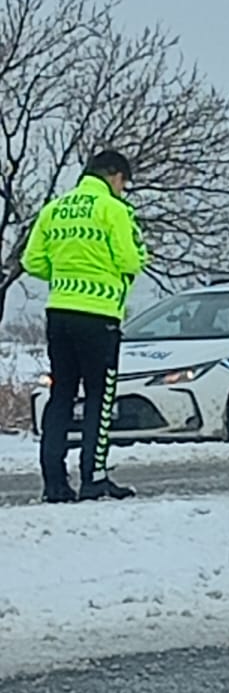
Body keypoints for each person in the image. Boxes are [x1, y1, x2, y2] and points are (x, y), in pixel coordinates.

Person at [21, 150, 149, 503]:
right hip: (99, 315)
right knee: (99, 396)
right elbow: (131, 260)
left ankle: (54, 483)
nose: (122, 190)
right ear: (114, 175)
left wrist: (64, 274)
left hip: (59, 312)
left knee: (61, 394)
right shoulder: (114, 210)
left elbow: (31, 261)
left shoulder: (54, 209)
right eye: (123, 183)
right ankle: (94, 478)